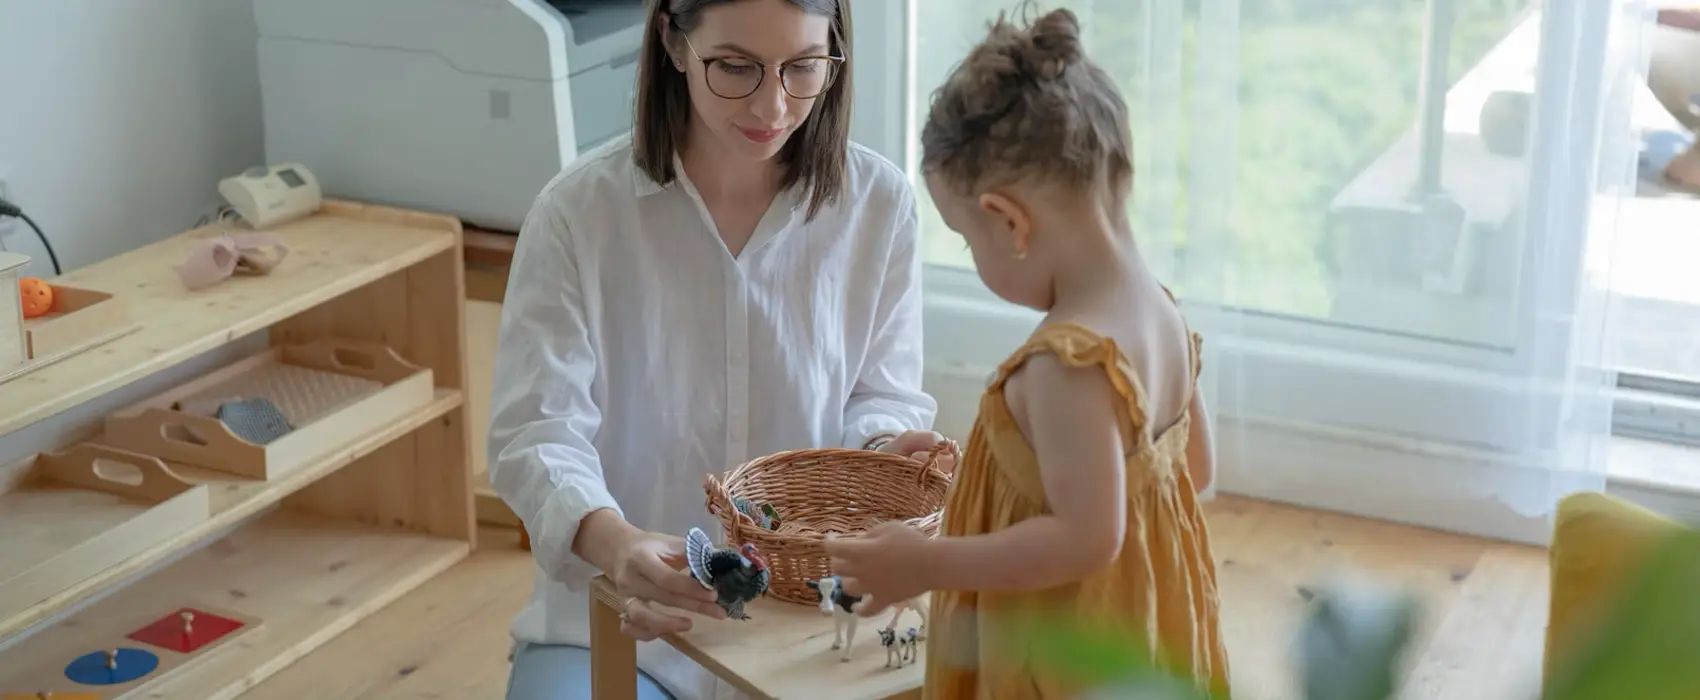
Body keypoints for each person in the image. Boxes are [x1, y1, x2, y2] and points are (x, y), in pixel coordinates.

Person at [486, 0, 953, 698]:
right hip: (618, 629)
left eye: (804, 67)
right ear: (675, 43)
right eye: (735, 66)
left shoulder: (878, 205)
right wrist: (616, 543)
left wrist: (880, 459)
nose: (773, 103)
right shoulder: (578, 216)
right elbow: (534, 433)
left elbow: (877, 394)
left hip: (804, 631)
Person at [823, 5, 1231, 699]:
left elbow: (1084, 540)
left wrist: (926, 563)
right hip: (1148, 637)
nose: (971, 252)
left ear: (1009, 221)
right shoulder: (1161, 310)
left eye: (965, 237)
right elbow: (1193, 472)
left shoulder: (1065, 365)